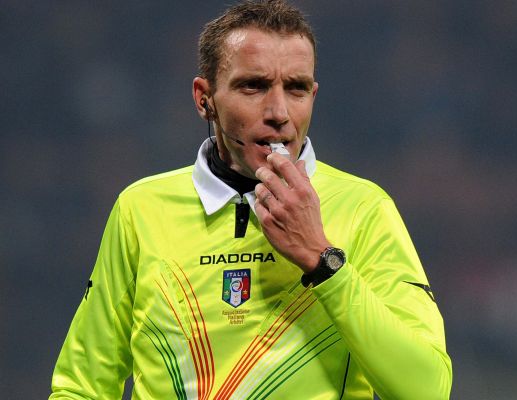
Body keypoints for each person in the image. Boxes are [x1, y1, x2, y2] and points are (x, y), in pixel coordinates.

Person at [50, 1, 452, 399]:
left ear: (313, 95)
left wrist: (322, 260)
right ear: (204, 98)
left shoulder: (363, 208)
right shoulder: (141, 209)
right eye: (253, 86)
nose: (279, 112)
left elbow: (426, 389)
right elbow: (79, 389)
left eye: (296, 88)